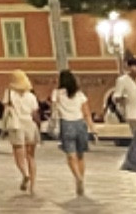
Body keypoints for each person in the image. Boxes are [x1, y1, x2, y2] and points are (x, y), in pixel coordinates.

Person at [48, 69, 90, 197]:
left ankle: (77, 177)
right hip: (80, 124)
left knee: (71, 156)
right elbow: (86, 112)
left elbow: (54, 110)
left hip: (66, 124)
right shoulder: (80, 94)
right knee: (81, 155)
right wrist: (93, 128)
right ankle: (81, 179)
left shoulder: (56, 93)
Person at [2, 68, 41, 194]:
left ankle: (25, 174)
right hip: (30, 125)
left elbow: (6, 111)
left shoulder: (9, 94)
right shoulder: (31, 96)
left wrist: (3, 128)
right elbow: (35, 113)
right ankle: (33, 186)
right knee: (31, 157)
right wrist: (38, 127)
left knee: (18, 155)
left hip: (16, 126)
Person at [111, 56, 136, 125]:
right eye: (133, 66)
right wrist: (122, 99)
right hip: (131, 113)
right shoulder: (122, 80)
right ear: (129, 68)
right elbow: (116, 96)